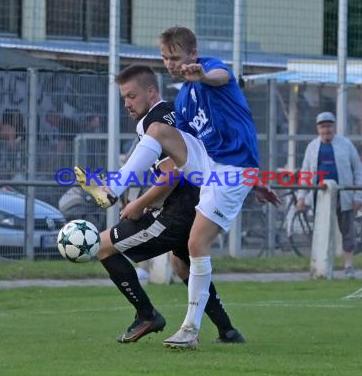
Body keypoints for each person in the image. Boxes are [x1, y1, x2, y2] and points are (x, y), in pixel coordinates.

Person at [75, 26, 279, 349]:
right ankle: (113, 188)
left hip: (233, 169)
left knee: (196, 245)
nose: (170, 64)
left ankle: (189, 329)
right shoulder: (183, 98)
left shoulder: (212, 70)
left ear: (193, 55)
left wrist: (202, 75)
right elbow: (179, 146)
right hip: (208, 166)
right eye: (164, 58)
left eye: (176, 57)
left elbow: (220, 78)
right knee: (158, 131)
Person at [91, 64, 246, 345]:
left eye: (131, 96)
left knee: (102, 246)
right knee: (183, 264)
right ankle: (228, 331)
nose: (126, 103)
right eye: (123, 98)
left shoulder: (153, 124)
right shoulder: (178, 111)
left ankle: (146, 315)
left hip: (179, 212)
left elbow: (173, 172)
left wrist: (139, 203)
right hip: (202, 203)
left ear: (151, 92)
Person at [296, 112, 362, 279]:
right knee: (320, 231)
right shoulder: (312, 147)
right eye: (322, 126)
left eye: (329, 125)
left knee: (347, 231)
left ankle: (348, 266)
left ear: (334, 127)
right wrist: (301, 196)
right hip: (320, 196)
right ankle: (320, 267)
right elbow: (305, 172)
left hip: (344, 195)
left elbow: (358, 171)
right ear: (318, 128)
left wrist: (359, 196)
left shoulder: (346, 145)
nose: (326, 129)